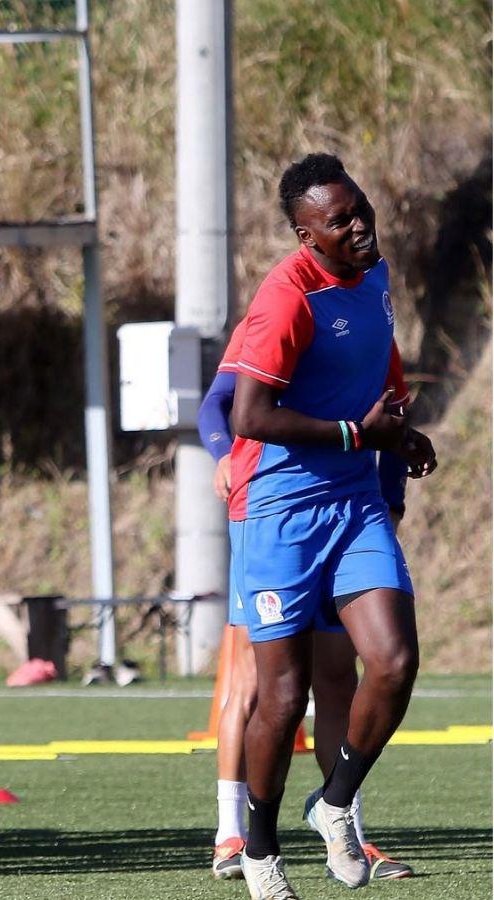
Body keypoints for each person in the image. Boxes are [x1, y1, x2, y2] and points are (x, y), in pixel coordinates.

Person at [228, 154, 436, 899]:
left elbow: (380, 361)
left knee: (395, 661)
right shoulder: (286, 297)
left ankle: (335, 804)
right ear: (305, 235)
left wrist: (398, 434)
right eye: (338, 220)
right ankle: (258, 850)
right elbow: (247, 414)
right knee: (283, 701)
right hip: (280, 512)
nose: (358, 226)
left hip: (353, 502)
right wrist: (357, 434)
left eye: (360, 209)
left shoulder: (374, 275)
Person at [199, 320, 412, 882]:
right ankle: (233, 834)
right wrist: (222, 454)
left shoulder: (369, 315)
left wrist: (392, 498)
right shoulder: (277, 315)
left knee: (340, 677)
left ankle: (346, 832)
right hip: (265, 517)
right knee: (259, 684)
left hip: (344, 513)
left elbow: (393, 415)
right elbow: (219, 405)